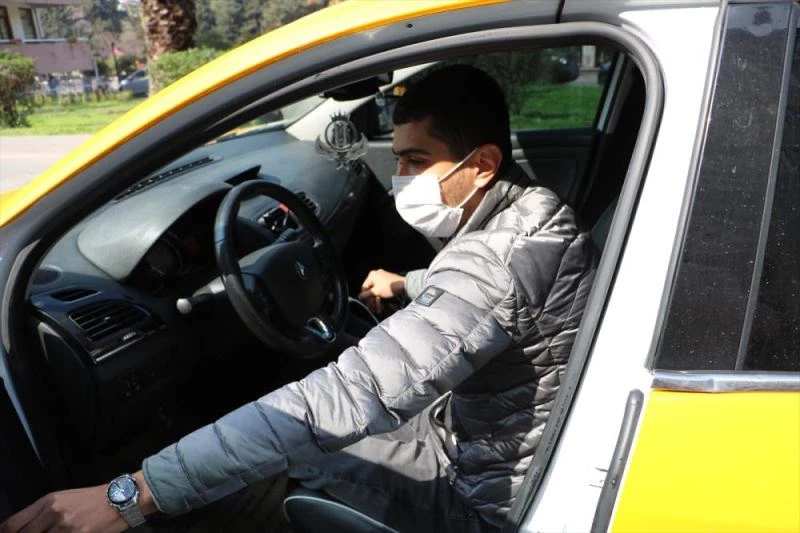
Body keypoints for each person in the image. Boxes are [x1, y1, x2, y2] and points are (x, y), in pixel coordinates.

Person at [1, 65, 598, 533]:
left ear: (483, 165)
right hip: (480, 432)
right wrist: (405, 284)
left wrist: (130, 495)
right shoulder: (534, 217)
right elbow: (493, 301)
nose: (401, 178)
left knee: (284, 454)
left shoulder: (494, 258)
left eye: (417, 161)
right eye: (398, 158)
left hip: (483, 495)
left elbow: (348, 394)